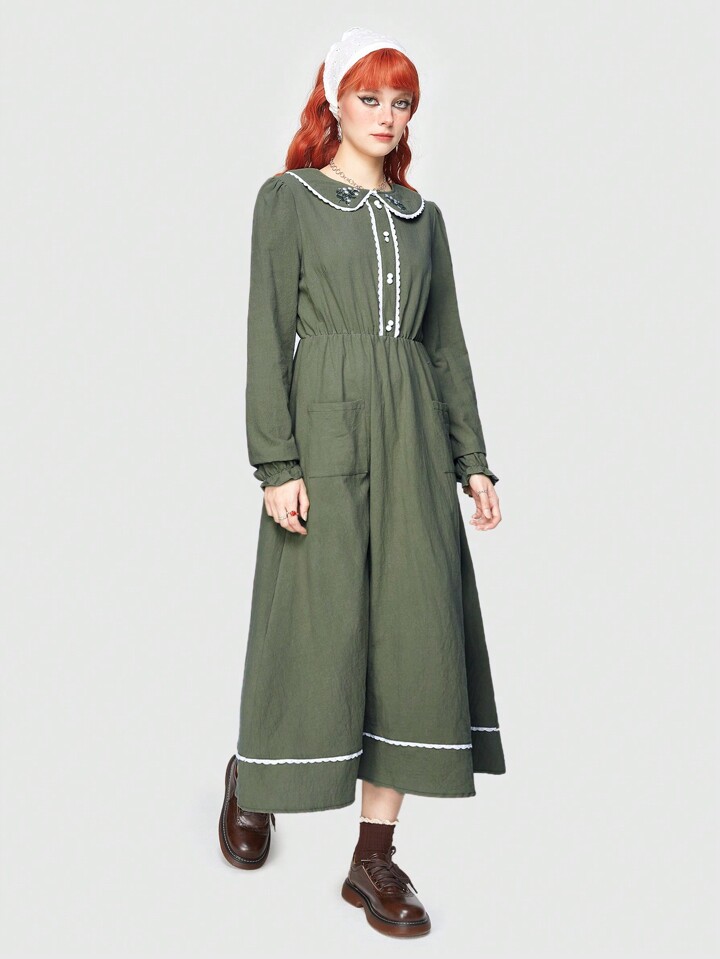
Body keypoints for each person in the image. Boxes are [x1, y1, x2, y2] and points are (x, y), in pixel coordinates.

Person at [218, 26, 506, 938]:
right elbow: (268, 333)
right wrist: (277, 462)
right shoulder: (290, 199)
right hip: (325, 427)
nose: (387, 116)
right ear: (334, 103)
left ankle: (372, 857)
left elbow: (445, 344)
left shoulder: (425, 218)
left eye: (402, 102)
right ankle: (255, 775)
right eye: (370, 98)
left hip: (413, 432)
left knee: (413, 634)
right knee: (312, 621)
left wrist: (472, 458)